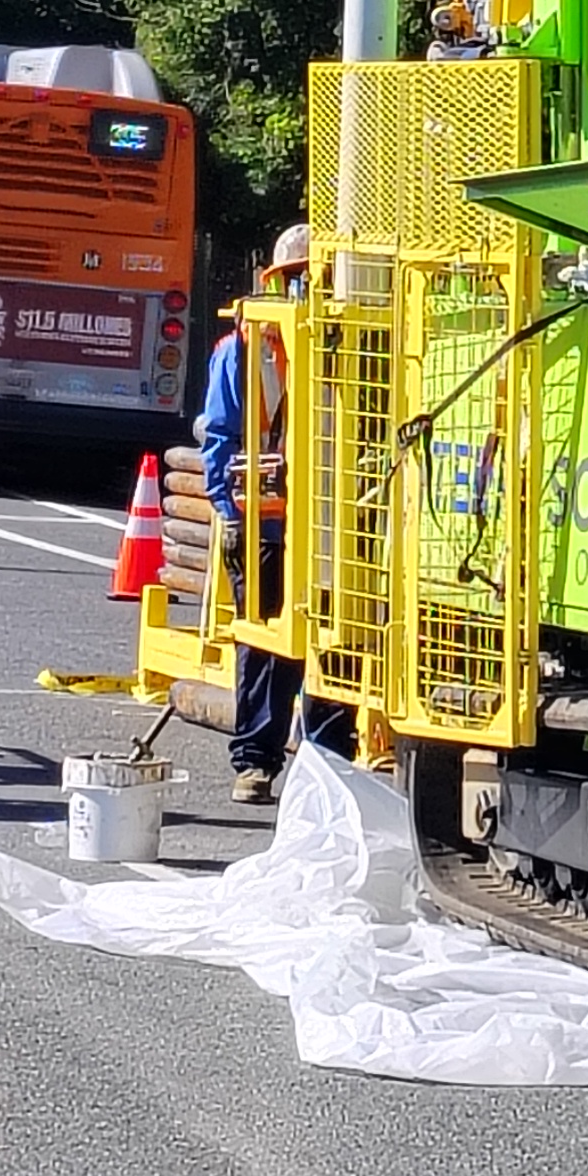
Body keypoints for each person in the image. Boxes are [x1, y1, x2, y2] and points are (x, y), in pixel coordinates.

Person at [201, 223, 314, 803]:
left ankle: (322, 762)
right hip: (266, 518)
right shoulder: (245, 347)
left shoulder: (351, 338)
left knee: (327, 645)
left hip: (326, 524)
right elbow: (220, 436)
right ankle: (256, 761)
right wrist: (233, 512)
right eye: (298, 280)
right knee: (265, 645)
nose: (306, 290)